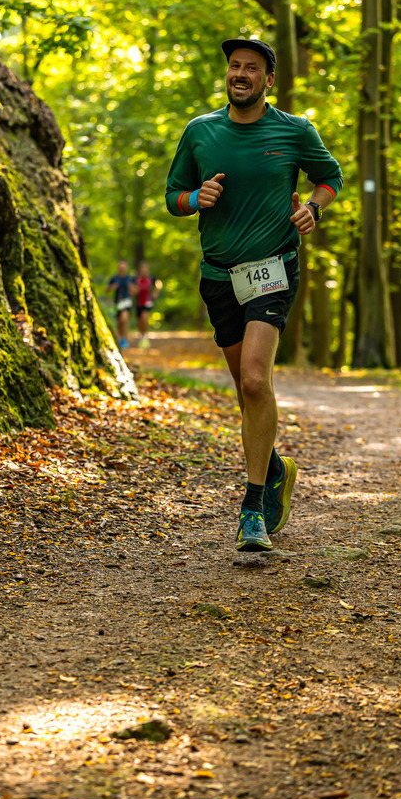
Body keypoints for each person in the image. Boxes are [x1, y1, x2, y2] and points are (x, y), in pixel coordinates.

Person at [165, 37, 342, 552]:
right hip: (219, 276)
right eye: (234, 66)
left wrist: (313, 206)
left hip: (273, 270)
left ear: (269, 80)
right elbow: (173, 196)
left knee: (254, 380)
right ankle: (276, 468)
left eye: (252, 68)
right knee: (247, 393)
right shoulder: (201, 132)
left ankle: (252, 509)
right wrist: (197, 197)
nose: (240, 74)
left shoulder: (293, 130)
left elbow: (328, 177)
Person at [134, 260, 162, 349]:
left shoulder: (151, 278)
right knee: (139, 321)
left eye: (145, 268)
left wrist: (156, 293)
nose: (143, 270)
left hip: (147, 301)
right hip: (138, 302)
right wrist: (134, 291)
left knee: (144, 318)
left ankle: (145, 337)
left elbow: (159, 283)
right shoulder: (136, 279)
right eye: (142, 269)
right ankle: (142, 336)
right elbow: (131, 287)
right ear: (139, 270)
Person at [107, 260, 134, 350]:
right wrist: (112, 287)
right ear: (118, 268)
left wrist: (131, 288)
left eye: (123, 267)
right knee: (119, 322)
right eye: (120, 267)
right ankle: (121, 338)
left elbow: (136, 291)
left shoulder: (129, 279)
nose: (122, 268)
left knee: (124, 319)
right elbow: (107, 289)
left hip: (126, 301)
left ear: (126, 268)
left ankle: (125, 339)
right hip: (117, 302)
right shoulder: (114, 278)